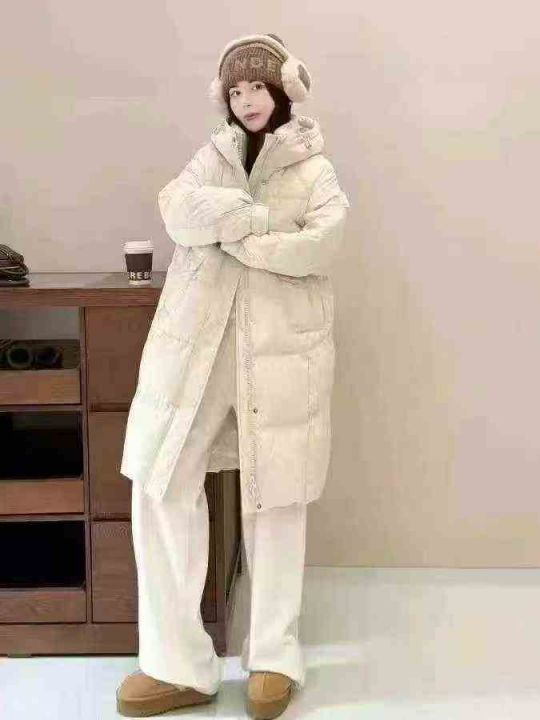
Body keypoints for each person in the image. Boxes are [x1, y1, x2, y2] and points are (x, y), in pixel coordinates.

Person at [116, 32, 350, 719]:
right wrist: (260, 220)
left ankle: (273, 657)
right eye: (237, 89)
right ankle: (176, 666)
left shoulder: (315, 168)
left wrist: (236, 238)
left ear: (284, 90)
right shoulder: (210, 156)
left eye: (259, 87)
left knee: (276, 498)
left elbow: (321, 244)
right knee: (160, 483)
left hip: (281, 354)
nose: (247, 100)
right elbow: (176, 210)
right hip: (196, 351)